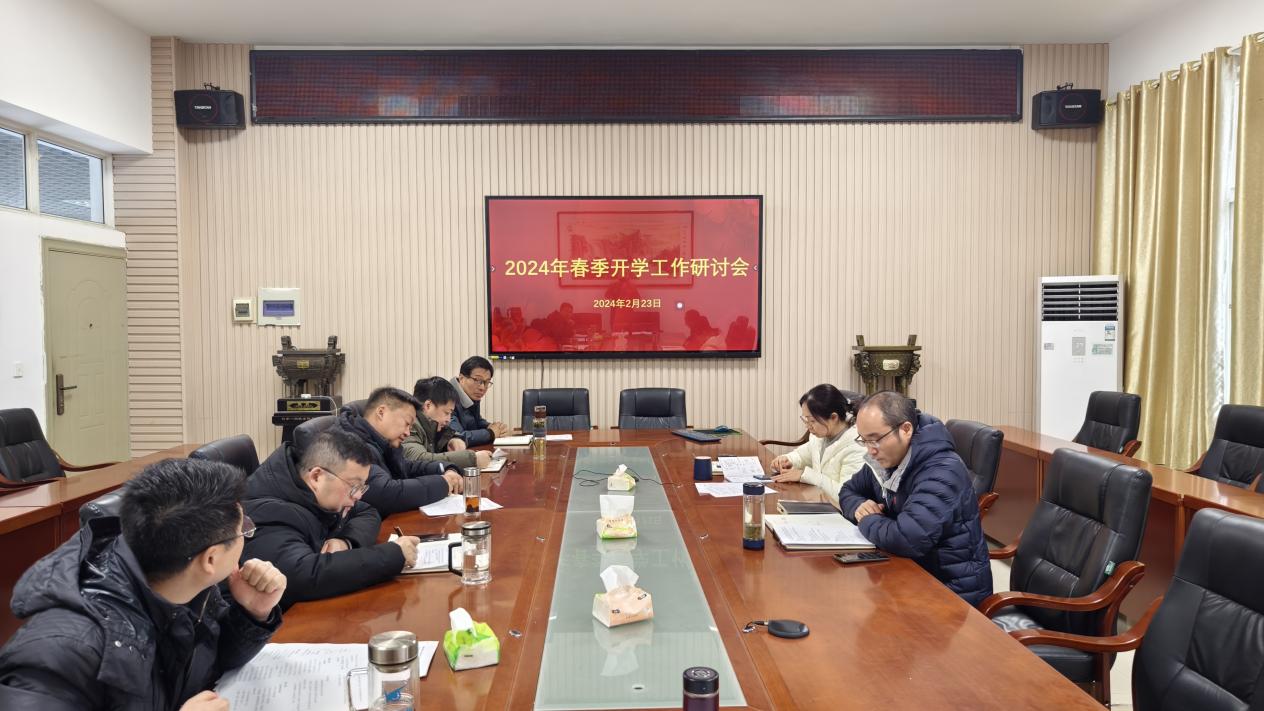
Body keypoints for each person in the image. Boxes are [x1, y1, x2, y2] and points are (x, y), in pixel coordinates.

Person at [0, 458, 287, 711]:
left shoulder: (184, 583)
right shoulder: (61, 652)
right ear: (210, 559)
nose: (246, 537)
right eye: (243, 531)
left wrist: (252, 613)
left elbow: (210, 662)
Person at [838, 391, 992, 606]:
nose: (870, 450)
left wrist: (867, 519)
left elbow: (907, 539)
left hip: (951, 592)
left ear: (906, 429)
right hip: (907, 572)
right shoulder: (886, 458)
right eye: (864, 440)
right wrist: (859, 506)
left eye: (875, 439)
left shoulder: (942, 470)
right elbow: (848, 490)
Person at [244, 429, 422, 609]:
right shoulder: (269, 512)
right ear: (316, 477)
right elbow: (304, 576)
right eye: (354, 486)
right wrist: (393, 555)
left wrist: (346, 542)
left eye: (362, 487)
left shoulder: (316, 492)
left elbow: (367, 512)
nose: (358, 496)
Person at [340, 386, 462, 516]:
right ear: (381, 412)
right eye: (406, 424)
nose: (408, 433)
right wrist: (443, 483)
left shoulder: (381, 444)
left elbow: (406, 467)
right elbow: (386, 493)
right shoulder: (352, 445)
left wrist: (445, 469)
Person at [769, 384, 866, 505]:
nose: (808, 426)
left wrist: (805, 475)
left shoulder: (857, 445)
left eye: (812, 421)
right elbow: (801, 455)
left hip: (839, 512)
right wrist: (787, 460)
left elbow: (847, 495)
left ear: (833, 417)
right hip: (818, 503)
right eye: (806, 420)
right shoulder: (820, 437)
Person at [402, 376, 491, 470]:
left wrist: (451, 440)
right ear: (428, 406)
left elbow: (444, 437)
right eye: (447, 413)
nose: (449, 419)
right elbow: (420, 460)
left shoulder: (431, 426)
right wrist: (472, 459)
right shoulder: (409, 425)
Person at [448, 356, 510, 446]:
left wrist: (492, 427)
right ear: (461, 378)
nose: (482, 388)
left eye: (487, 382)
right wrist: (491, 433)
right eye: (477, 380)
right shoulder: (447, 397)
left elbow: (475, 421)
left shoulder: (470, 395)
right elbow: (457, 437)